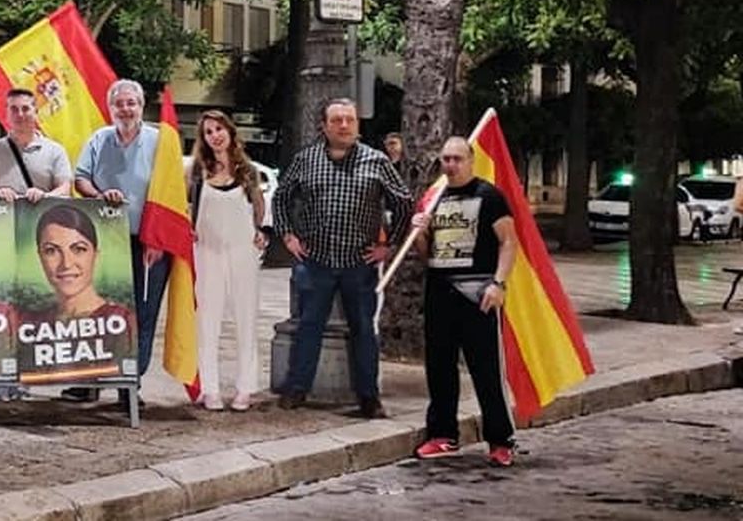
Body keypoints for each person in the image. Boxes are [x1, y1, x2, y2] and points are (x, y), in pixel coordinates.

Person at [272, 97, 411, 418]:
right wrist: (288, 235)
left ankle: (368, 397)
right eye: (336, 120)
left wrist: (389, 245)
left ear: (358, 124)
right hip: (315, 261)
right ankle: (297, 389)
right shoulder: (306, 160)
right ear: (324, 126)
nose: (344, 126)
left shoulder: (376, 161)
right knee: (308, 326)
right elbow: (281, 197)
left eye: (349, 119)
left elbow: (404, 202)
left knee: (363, 329)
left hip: (359, 264)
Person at [409, 136, 520, 467]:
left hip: (478, 295)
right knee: (439, 368)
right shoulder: (433, 198)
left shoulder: (489, 196)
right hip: (440, 292)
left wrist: (498, 283)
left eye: (457, 158)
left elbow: (509, 242)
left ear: (471, 161)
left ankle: (501, 439)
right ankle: (442, 434)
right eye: (446, 159)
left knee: (486, 371)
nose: (451, 165)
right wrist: (421, 232)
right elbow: (426, 255)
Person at [70, 79, 164, 411]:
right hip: (104, 242)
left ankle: (130, 384)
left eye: (131, 103)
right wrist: (98, 194)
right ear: (111, 108)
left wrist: (160, 238)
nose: (126, 109)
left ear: (142, 106)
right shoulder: (99, 139)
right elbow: (80, 178)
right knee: (98, 312)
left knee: (143, 314)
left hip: (147, 241)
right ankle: (91, 379)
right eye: (119, 104)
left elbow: (171, 191)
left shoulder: (160, 141)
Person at [0, 87, 72, 400]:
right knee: (2, 308)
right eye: (14, 109)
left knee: (35, 309)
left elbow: (66, 187)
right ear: (6, 113)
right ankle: (3, 376)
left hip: (39, 245)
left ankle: (28, 374)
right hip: (1, 244)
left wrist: (46, 196)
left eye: (25, 108)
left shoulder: (54, 150)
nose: (20, 114)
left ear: (36, 112)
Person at [188, 110, 266, 413]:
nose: (215, 136)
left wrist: (261, 233)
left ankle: (246, 387)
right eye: (208, 132)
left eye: (219, 129)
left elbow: (259, 208)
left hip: (242, 250)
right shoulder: (197, 172)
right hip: (207, 251)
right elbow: (185, 206)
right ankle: (209, 388)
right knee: (207, 321)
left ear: (230, 132)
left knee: (246, 318)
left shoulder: (248, 171)